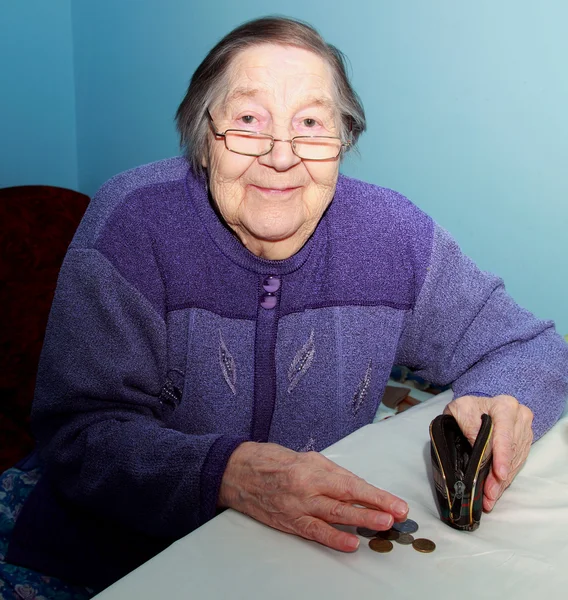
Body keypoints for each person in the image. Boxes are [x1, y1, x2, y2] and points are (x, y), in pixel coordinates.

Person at [3, 15, 567, 597]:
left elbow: (529, 345)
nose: (281, 155)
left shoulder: (392, 234)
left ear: (342, 141)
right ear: (203, 136)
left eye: (311, 123)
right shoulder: (132, 223)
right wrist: (228, 473)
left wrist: (511, 401)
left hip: (298, 561)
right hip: (121, 559)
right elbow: (78, 433)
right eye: (249, 120)